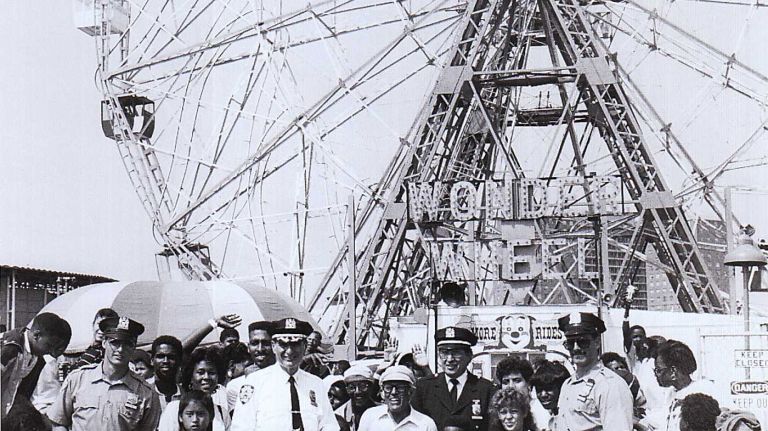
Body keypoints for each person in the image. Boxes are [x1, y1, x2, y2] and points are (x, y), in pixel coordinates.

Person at [47, 315, 161, 430]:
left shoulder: (146, 393)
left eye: (127, 344)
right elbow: (58, 422)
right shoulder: (78, 379)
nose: (121, 349)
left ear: (134, 347)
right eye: (115, 342)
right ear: (104, 342)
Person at [230, 317, 340, 431]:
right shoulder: (254, 383)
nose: (289, 351)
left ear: (305, 346)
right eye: (283, 344)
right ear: (273, 346)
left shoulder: (316, 384)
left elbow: (329, 425)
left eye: (295, 344)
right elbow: (241, 427)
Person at [555, 312, 633, 431]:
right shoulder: (567, 385)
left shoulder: (610, 385)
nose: (576, 348)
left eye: (582, 342)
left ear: (596, 342)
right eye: (570, 343)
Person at [411, 326, 495, 431]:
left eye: (456, 353)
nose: (449, 359)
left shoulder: (485, 389)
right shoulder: (424, 388)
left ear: (469, 356)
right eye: (444, 353)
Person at [1, 312, 71, 417]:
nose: (51, 352)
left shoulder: (38, 360)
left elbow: (24, 394)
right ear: (36, 335)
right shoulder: (11, 348)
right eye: (49, 346)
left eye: (55, 349)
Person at [652, 340, 722, 431]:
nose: (656, 375)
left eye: (658, 370)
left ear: (673, 371)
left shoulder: (705, 390)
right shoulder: (670, 393)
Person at [158, 347, 229, 431]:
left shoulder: (222, 412)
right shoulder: (174, 409)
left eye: (211, 373)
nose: (206, 377)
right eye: (200, 372)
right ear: (191, 376)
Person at [358, 365, 437, 431]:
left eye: (400, 388)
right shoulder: (370, 416)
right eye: (388, 388)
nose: (393, 392)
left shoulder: (426, 424)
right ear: (382, 392)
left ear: (411, 392)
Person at [225, 320, 276, 410]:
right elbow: (240, 421)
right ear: (248, 347)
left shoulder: (286, 378)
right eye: (254, 343)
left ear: (275, 345)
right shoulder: (235, 387)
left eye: (266, 343)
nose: (260, 349)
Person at [495, 356, 548, 430]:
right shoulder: (497, 411)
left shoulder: (542, 411)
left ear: (528, 383)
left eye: (517, 380)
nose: (511, 386)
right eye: (506, 382)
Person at [600, 352, 646, 418]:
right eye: (616, 369)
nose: (620, 370)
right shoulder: (603, 389)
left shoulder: (633, 383)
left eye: (622, 367)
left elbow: (642, 403)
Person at [529, 360, 569, 431]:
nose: (543, 395)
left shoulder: (573, 417)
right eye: (539, 389)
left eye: (549, 388)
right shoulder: (551, 416)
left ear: (561, 387)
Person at [336, 364, 379, 430]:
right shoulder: (339, 415)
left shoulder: (382, 412)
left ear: (371, 387)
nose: (357, 391)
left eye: (362, 386)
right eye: (352, 387)